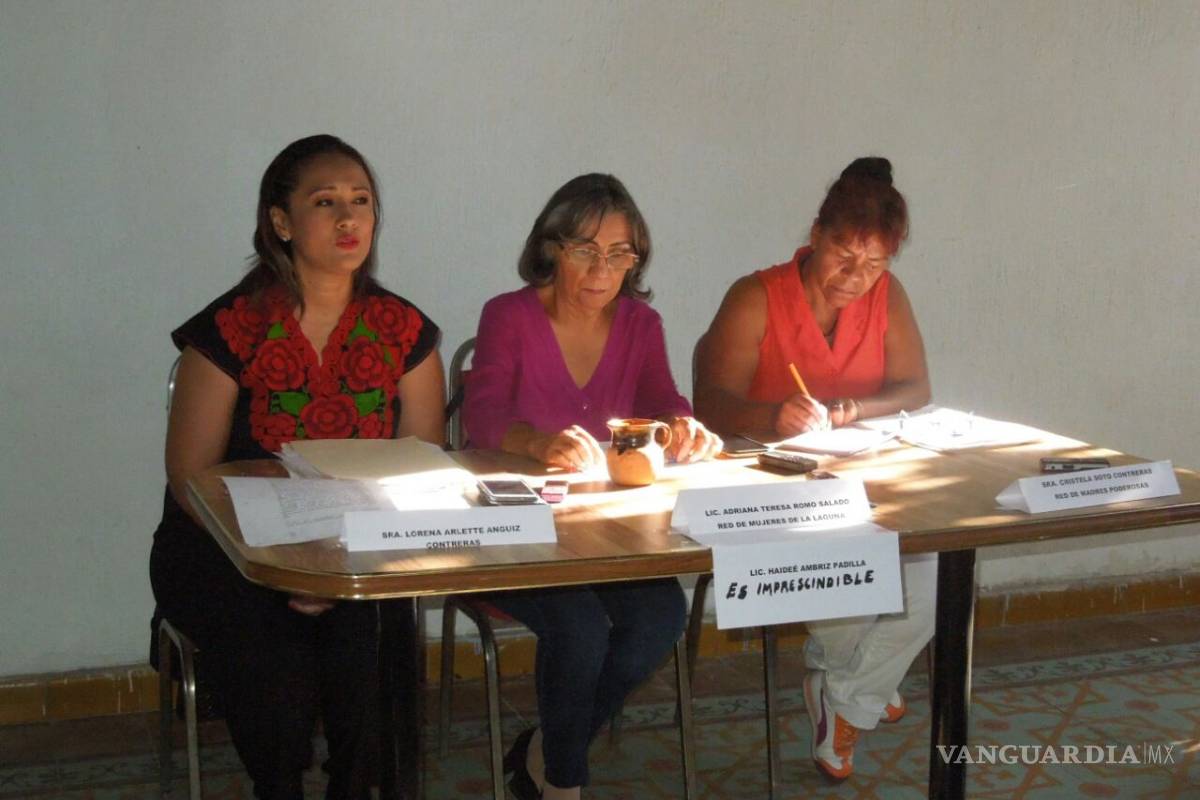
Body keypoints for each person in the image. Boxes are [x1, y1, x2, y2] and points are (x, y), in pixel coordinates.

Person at [149, 134, 444, 800]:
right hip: (229, 552)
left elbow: (423, 467)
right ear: (281, 223)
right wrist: (287, 564)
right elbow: (193, 479)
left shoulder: (404, 331)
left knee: (365, 644)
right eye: (326, 202)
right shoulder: (230, 329)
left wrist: (340, 566)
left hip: (361, 553)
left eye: (361, 202)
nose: (348, 220)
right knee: (278, 666)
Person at [463, 173, 721, 799]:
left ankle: (552, 749)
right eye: (585, 249)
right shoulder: (509, 315)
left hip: (608, 535)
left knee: (660, 618)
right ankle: (563, 783)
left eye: (619, 253)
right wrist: (537, 443)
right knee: (580, 629)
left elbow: (664, 401)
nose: (603, 268)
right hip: (518, 533)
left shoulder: (640, 324)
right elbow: (482, 417)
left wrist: (681, 427)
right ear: (551, 248)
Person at [694, 157, 935, 781]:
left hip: (860, 479)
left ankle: (845, 691)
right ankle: (856, 689)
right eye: (843, 255)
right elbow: (709, 406)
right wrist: (773, 415)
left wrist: (854, 408)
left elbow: (915, 388)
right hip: (767, 491)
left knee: (936, 567)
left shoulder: (887, 295)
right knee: (854, 562)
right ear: (815, 233)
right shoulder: (757, 297)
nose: (856, 279)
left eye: (876, 264)